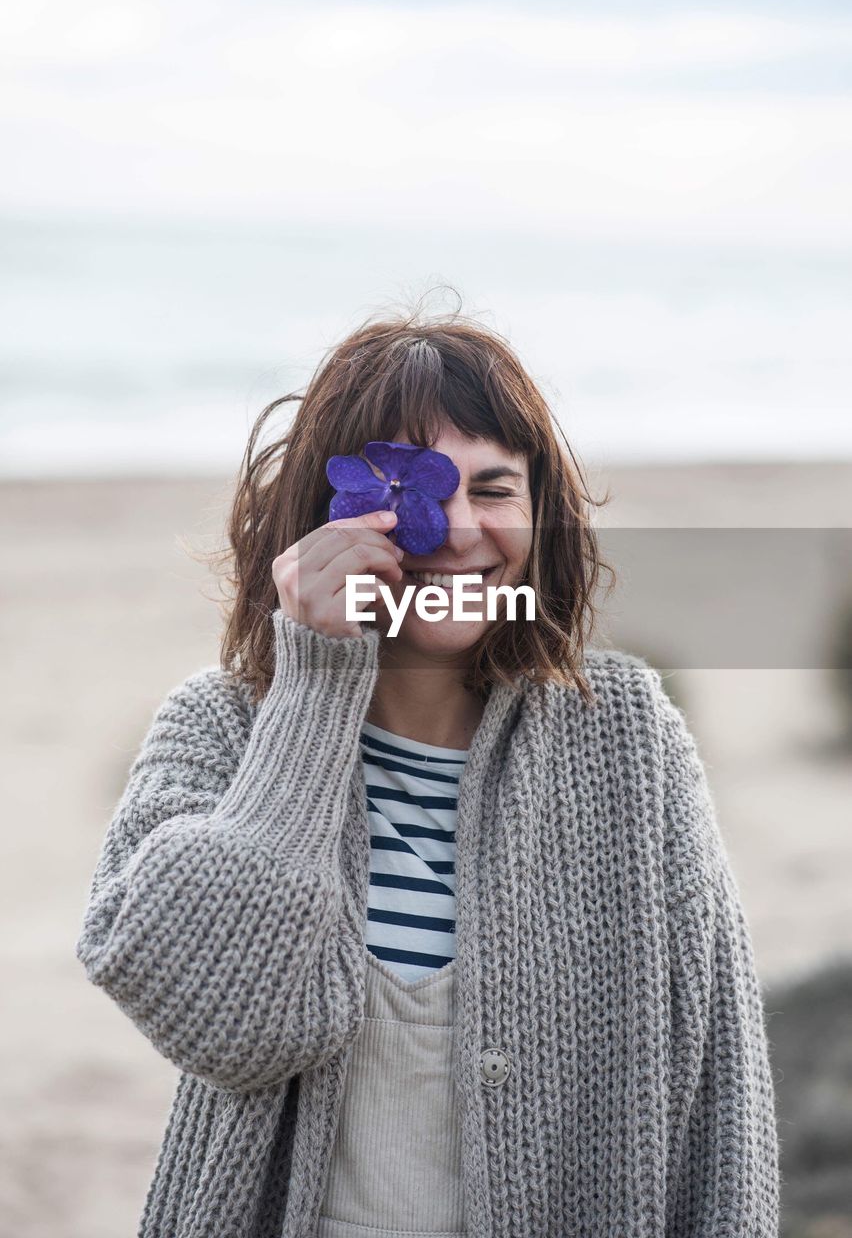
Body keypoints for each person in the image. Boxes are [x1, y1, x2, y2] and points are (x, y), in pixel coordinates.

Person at [75, 307, 780, 1238]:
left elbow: (723, 1090)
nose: (455, 531)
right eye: (411, 491)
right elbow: (223, 1025)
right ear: (317, 518)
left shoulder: (630, 737)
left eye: (493, 489)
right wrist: (315, 691)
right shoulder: (222, 730)